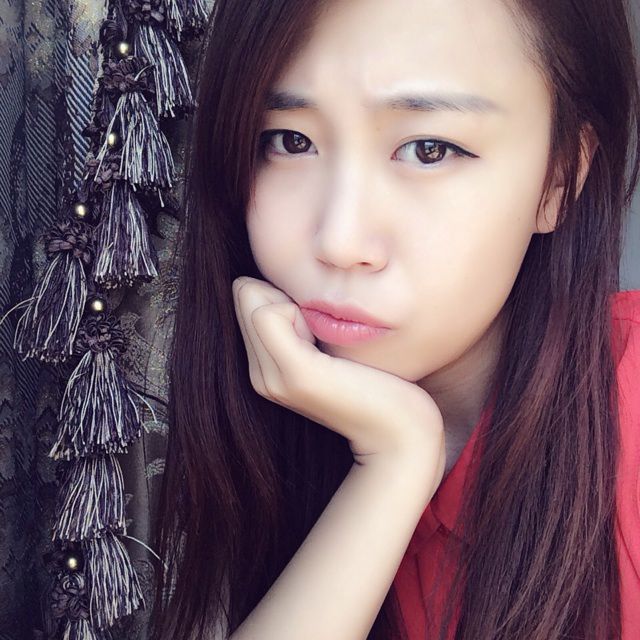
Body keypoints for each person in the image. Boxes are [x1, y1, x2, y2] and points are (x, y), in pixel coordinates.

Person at [148, 0, 640, 638]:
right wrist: (394, 462)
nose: (339, 240)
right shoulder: (268, 450)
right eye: (290, 141)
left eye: (429, 149)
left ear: (559, 179)